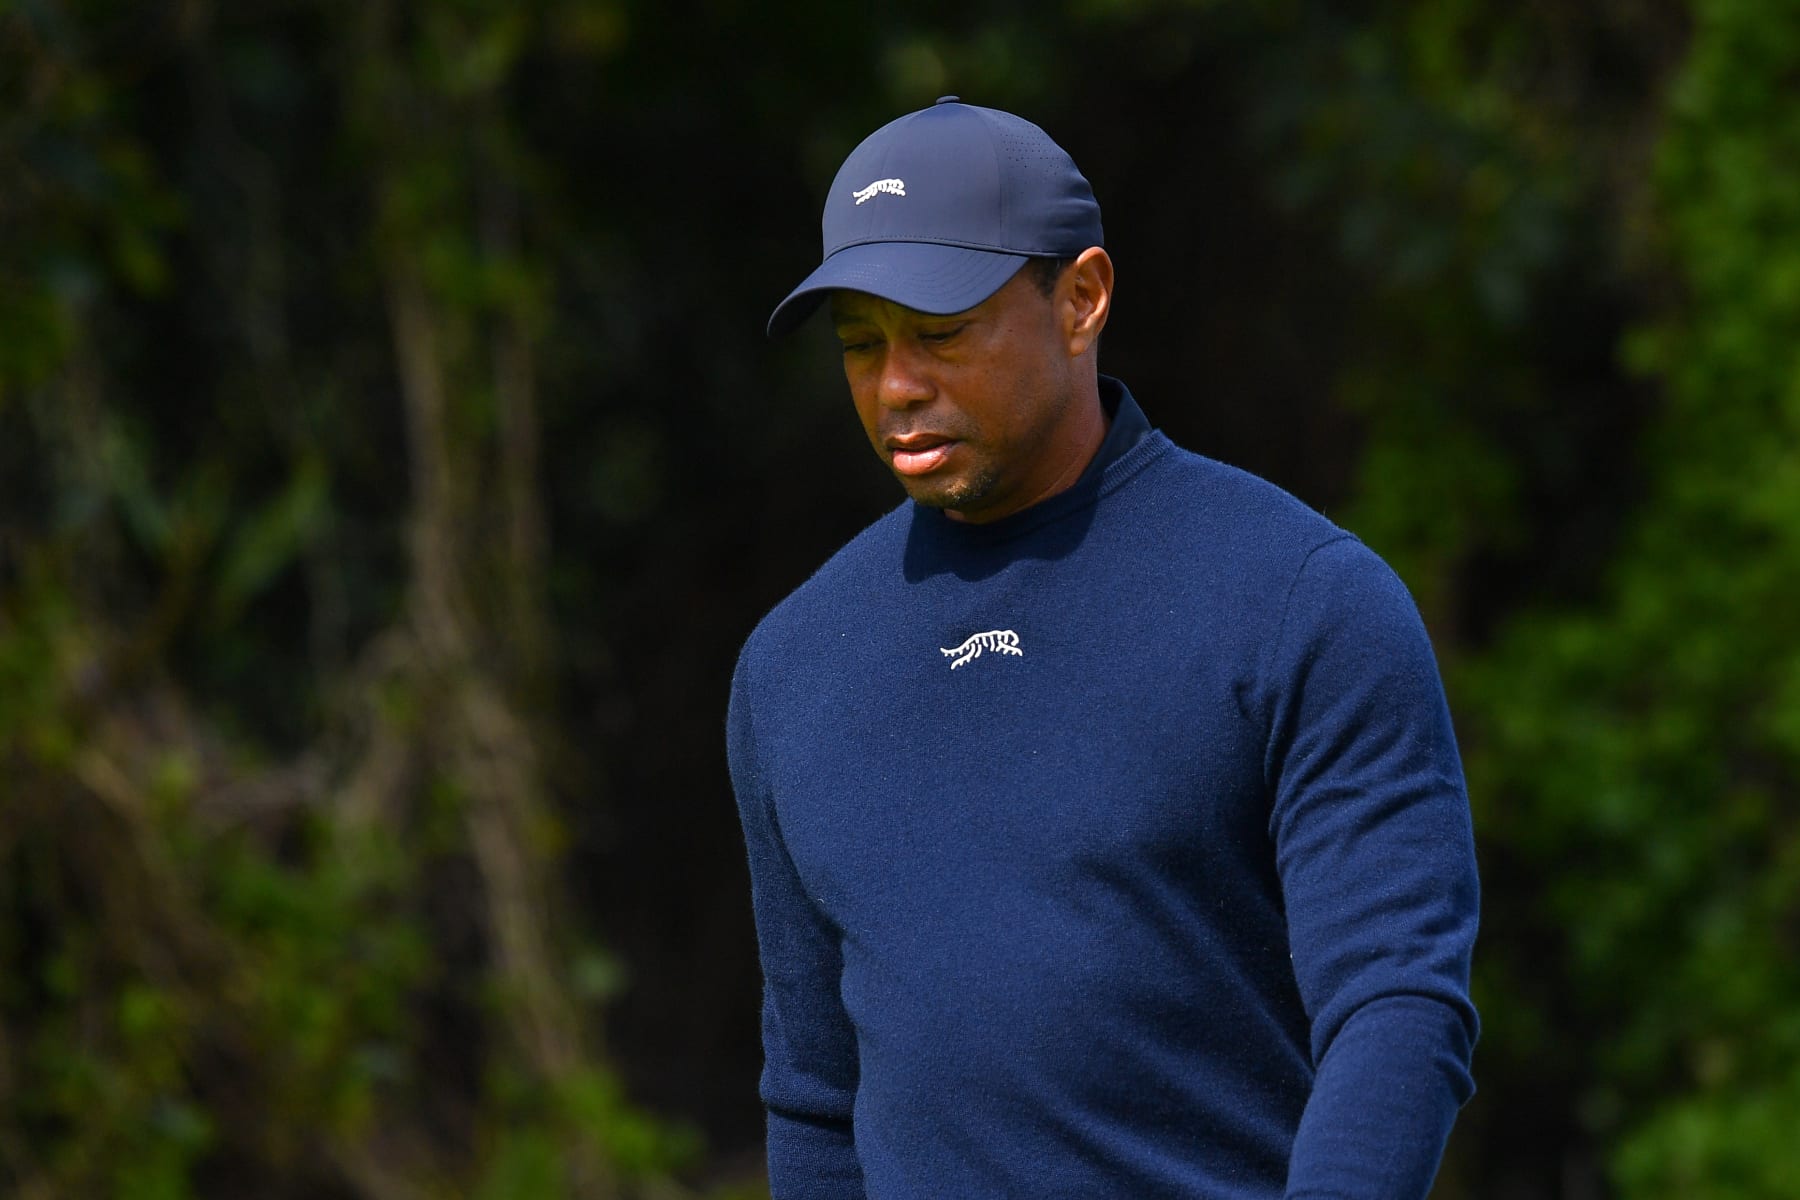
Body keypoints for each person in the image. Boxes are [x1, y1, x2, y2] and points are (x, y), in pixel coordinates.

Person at [728, 96, 1479, 1199]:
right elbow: (814, 1101)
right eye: (860, 344)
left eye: (940, 333)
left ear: (1080, 298)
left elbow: (1398, 1007)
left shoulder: (1301, 603)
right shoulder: (793, 667)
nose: (896, 386)